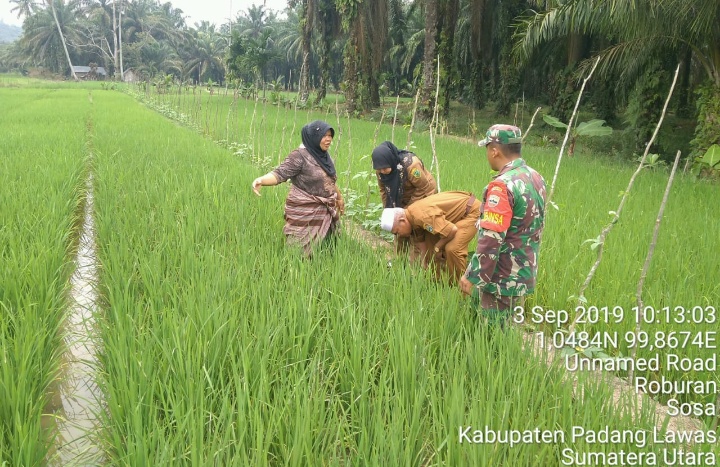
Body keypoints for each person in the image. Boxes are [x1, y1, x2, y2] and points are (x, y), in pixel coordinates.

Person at [459, 124, 547, 327]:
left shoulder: (502, 186)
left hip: (502, 276)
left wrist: (472, 276)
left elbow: (491, 239)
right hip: (523, 272)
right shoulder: (535, 177)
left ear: (494, 150)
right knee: (507, 327)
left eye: (487, 149)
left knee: (493, 337)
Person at [252, 120, 344, 255]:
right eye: (324, 135)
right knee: (298, 250)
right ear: (313, 137)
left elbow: (329, 179)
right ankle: (294, 269)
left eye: (330, 135)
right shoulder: (299, 156)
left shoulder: (324, 155)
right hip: (305, 210)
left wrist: (339, 198)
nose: (329, 139)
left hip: (326, 208)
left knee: (327, 247)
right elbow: (280, 173)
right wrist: (261, 180)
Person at [380, 191, 480, 284]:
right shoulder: (412, 219)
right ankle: (435, 281)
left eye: (397, 232)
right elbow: (421, 244)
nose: (399, 235)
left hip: (471, 211)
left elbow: (451, 230)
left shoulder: (421, 216)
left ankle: (461, 288)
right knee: (430, 243)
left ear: (402, 221)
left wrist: (438, 247)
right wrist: (424, 265)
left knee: (452, 249)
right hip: (457, 216)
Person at [371, 141, 437, 209]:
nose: (382, 171)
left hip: (425, 191)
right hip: (405, 194)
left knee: (418, 215)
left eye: (384, 168)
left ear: (391, 160)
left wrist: (407, 209)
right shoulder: (380, 171)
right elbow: (383, 190)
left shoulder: (411, 166)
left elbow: (423, 187)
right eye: (379, 169)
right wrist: (387, 209)